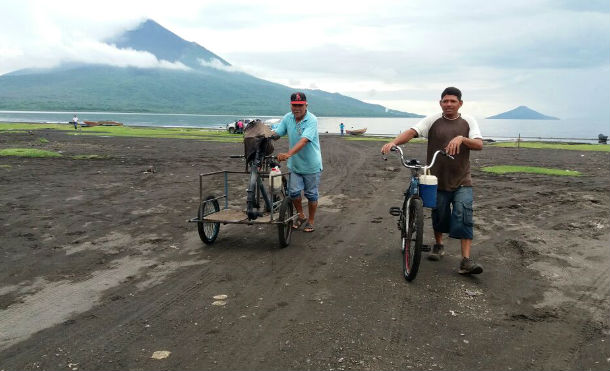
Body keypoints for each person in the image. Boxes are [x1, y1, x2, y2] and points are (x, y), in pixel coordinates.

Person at [381, 87, 484, 275]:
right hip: (435, 179)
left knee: (463, 214)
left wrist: (461, 138)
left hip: (462, 179)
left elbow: (479, 144)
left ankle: (466, 260)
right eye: (445, 101)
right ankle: (439, 244)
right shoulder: (433, 120)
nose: (449, 104)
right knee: (439, 214)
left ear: (460, 103)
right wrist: (394, 142)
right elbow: (413, 131)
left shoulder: (468, 121)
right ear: (440, 103)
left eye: (453, 101)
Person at [273, 92, 323, 233]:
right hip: (295, 165)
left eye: (300, 105)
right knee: (294, 192)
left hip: (311, 165)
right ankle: (301, 215)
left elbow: (304, 140)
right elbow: (278, 133)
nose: (297, 108)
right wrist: (266, 135)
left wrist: (288, 154)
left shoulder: (312, 120)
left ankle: (311, 221)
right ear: (291, 105)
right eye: (294, 105)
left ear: (306, 105)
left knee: (311, 194)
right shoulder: (288, 118)